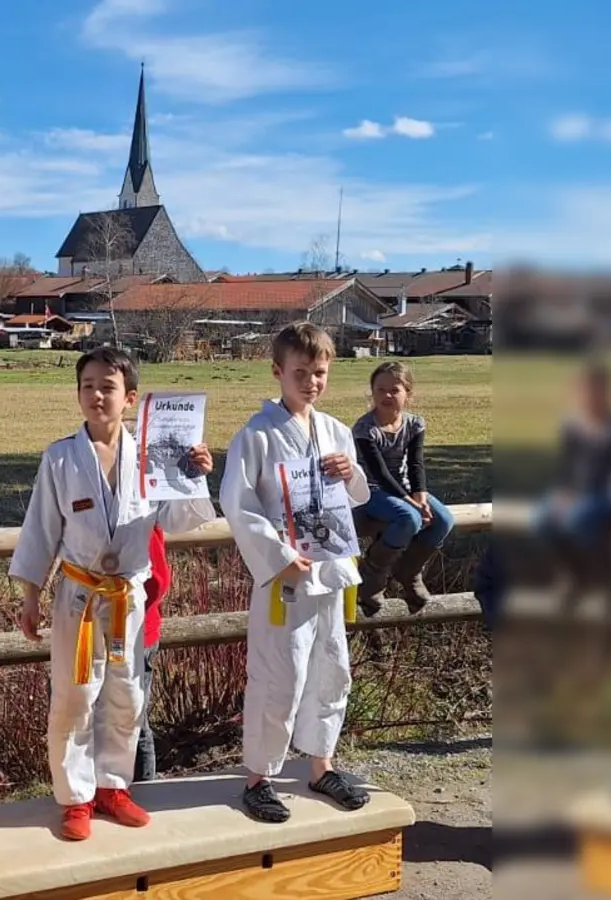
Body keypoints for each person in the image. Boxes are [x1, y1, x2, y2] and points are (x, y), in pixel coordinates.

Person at [11, 347, 215, 841]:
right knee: (75, 695)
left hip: (127, 596)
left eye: (108, 386)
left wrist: (194, 475)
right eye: (88, 386)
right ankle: (76, 798)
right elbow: (41, 529)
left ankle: (113, 787)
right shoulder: (61, 457)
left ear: (131, 398)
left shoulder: (152, 455)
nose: (97, 395)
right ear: (78, 394)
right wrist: (31, 593)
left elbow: (177, 519)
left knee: (125, 695)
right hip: (78, 596)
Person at [220, 322, 372, 824]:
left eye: (320, 373)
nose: (311, 382)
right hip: (284, 576)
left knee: (331, 669)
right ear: (278, 372)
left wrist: (349, 473)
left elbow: (358, 495)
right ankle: (258, 777)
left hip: (328, 571)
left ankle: (320, 765)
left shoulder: (336, 431)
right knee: (277, 677)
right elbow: (238, 503)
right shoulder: (257, 436)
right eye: (301, 372)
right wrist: (276, 554)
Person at [352, 361, 455, 615]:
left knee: (443, 519)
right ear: (372, 392)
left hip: (406, 490)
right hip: (372, 490)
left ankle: (408, 570)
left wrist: (420, 497)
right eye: (380, 389)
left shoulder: (414, 424)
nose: (387, 395)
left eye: (394, 390)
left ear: (408, 394)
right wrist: (412, 505)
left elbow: (416, 465)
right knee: (408, 517)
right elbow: (380, 474)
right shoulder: (365, 429)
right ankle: (372, 575)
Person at [534, 360, 611, 600]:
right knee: (542, 519)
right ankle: (573, 575)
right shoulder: (572, 426)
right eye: (586, 391)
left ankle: (603, 578)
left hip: (607, 492)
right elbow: (566, 466)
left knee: (579, 519)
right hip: (575, 490)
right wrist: (564, 492)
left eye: (597, 390)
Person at [134, 524, 172, 784]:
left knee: (136, 719)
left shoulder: (142, 517)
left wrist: (131, 608)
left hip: (139, 632)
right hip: (111, 629)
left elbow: (159, 581)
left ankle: (145, 787)